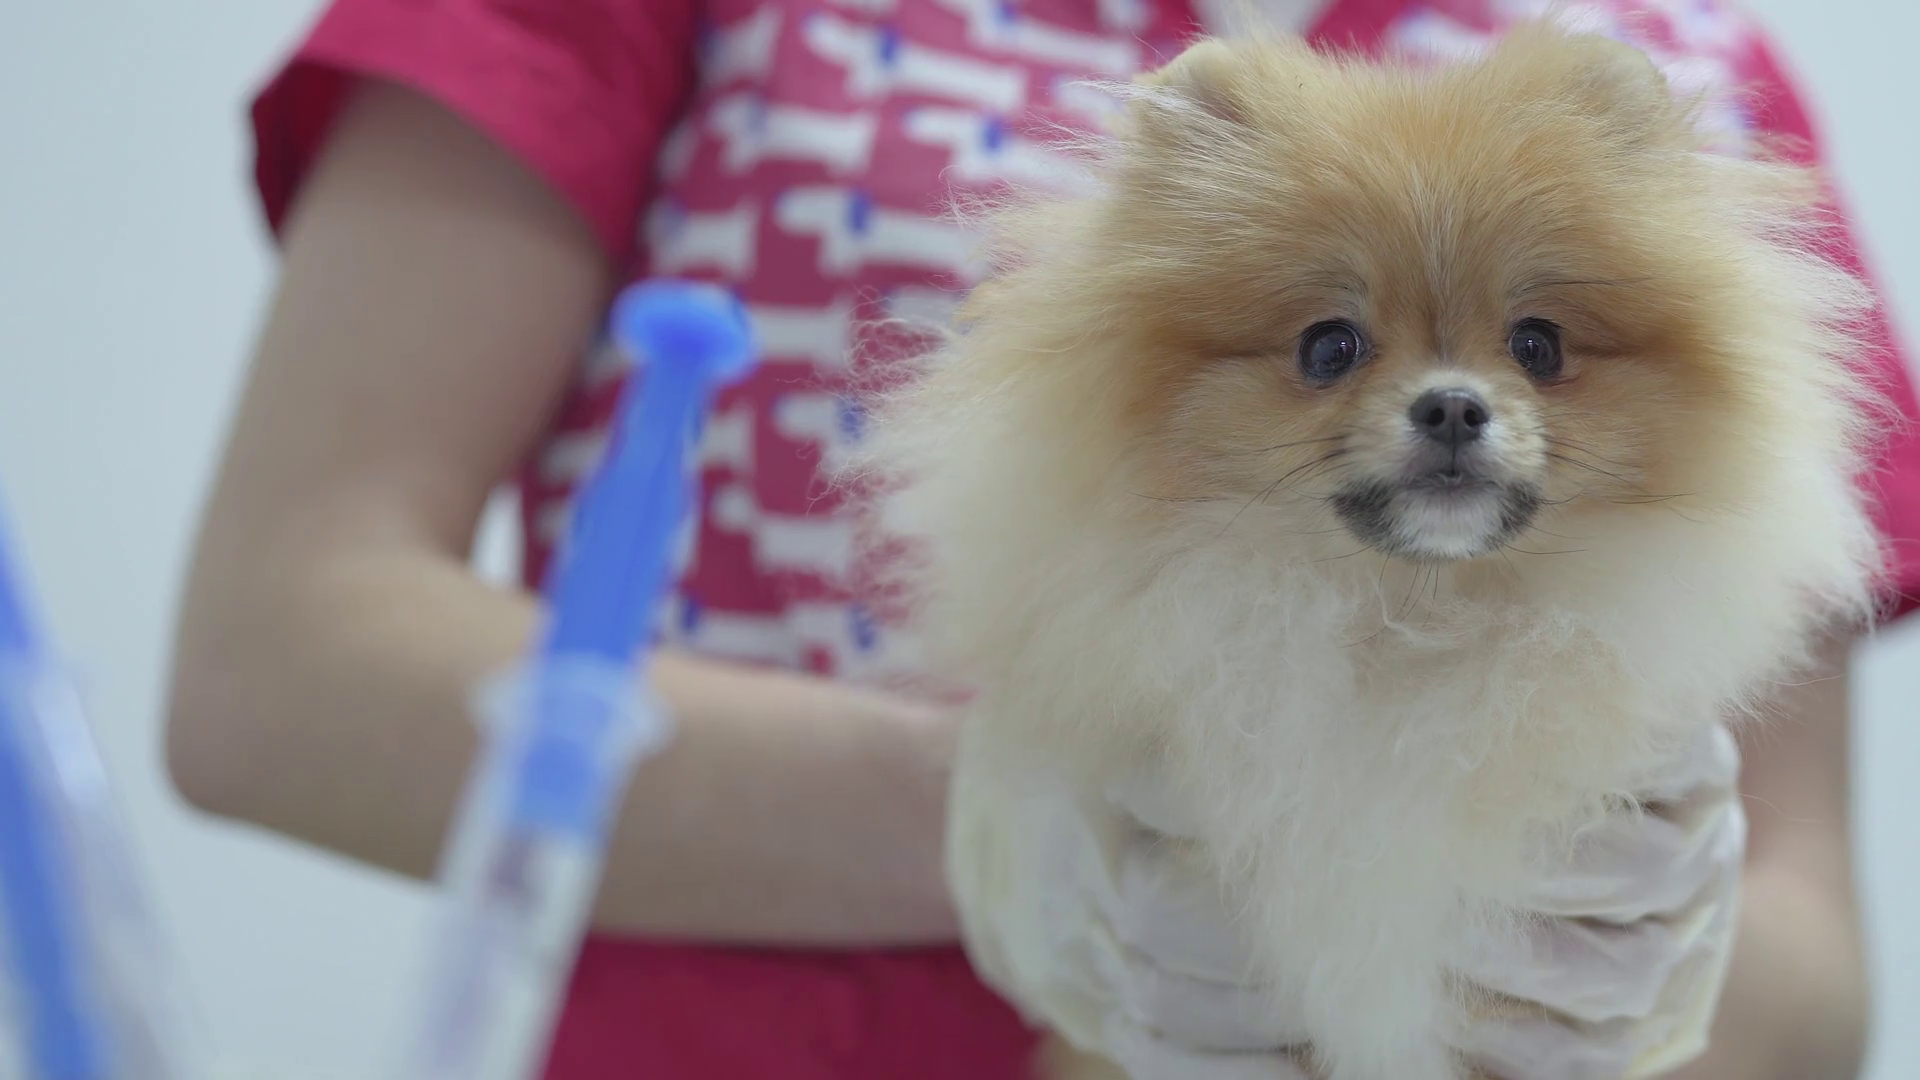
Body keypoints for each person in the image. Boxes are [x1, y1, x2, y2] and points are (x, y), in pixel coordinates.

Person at [163, 0, 1920, 1076]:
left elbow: (1814, 951)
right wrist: (1020, 826)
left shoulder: (1685, 55)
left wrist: (1636, 985)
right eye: (1331, 349)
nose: (1456, 401)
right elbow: (275, 662)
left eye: (1535, 351)